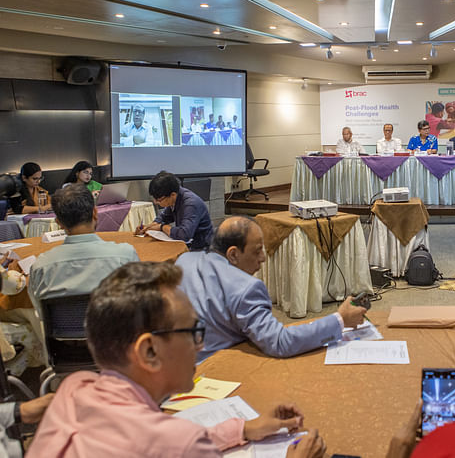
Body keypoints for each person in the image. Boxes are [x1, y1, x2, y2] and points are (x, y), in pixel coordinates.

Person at [26, 261, 326, 458]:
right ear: (150, 352)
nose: (201, 344)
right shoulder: (180, 444)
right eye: (193, 331)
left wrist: (244, 429)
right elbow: (173, 444)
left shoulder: (74, 388)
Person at [176, 216, 367, 362]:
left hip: (172, 364)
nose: (263, 258)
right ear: (233, 254)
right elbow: (279, 342)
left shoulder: (184, 261)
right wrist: (341, 319)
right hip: (213, 371)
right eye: (257, 250)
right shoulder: (246, 288)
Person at [28, 184, 139, 322]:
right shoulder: (125, 255)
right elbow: (137, 304)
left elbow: (41, 313)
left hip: (62, 342)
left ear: (59, 223)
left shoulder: (41, 267)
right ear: (95, 213)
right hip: (116, 340)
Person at [135, 171, 213, 250]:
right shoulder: (175, 196)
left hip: (201, 248)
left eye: (159, 200)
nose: (155, 202)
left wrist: (162, 227)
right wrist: (148, 227)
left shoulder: (191, 204)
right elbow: (164, 217)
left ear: (172, 195)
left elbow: (184, 235)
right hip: (187, 244)